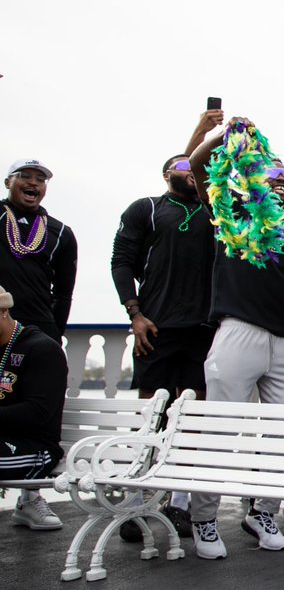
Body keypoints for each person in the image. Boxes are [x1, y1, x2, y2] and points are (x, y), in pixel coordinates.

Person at [187, 120, 284, 560]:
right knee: (220, 430)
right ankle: (203, 517)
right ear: (252, 179)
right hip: (239, 331)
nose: (278, 179)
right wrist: (228, 136)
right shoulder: (231, 212)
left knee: (282, 437)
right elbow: (199, 163)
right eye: (270, 173)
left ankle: (262, 510)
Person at [110, 149, 218, 538]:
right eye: (185, 166)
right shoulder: (148, 208)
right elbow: (121, 261)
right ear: (167, 174)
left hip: (204, 330)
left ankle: (180, 503)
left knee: (191, 421)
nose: (193, 172)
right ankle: (139, 499)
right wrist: (135, 313)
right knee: (152, 417)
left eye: (198, 168)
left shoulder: (214, 210)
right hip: (156, 326)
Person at [0, 284, 68, 530]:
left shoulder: (42, 349)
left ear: (3, 311)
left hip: (37, 448)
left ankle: (29, 501)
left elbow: (38, 412)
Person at [1, 160, 77, 344]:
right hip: (2, 320)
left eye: (40, 179)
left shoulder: (60, 232)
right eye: (24, 176)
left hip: (39, 327)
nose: (33, 182)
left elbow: (63, 293)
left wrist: (55, 334)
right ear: (8, 183)